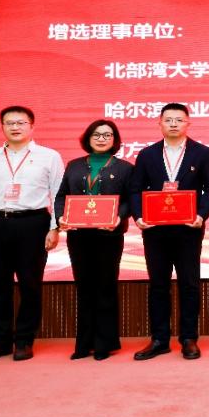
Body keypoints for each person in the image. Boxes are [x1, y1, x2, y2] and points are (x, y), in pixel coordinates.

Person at [0, 106, 64, 362]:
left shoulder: (49, 156)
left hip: (33, 223)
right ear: (2, 126)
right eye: (9, 123)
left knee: (29, 284)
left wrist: (54, 227)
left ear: (32, 126)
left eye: (21, 122)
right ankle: (0, 341)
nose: (15, 127)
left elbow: (58, 194)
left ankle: (24, 339)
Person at [129, 103, 209, 360]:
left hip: (188, 229)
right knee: (158, 285)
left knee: (189, 284)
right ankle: (159, 339)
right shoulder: (147, 154)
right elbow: (135, 189)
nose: (173, 124)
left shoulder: (202, 153)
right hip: (155, 230)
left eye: (179, 120)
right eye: (168, 120)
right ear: (159, 123)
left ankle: (189, 338)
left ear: (188, 123)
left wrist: (201, 215)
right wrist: (139, 216)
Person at [54, 119, 133, 361]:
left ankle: (103, 343)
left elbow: (130, 199)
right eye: (96, 134)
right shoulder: (74, 165)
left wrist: (118, 217)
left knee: (105, 287)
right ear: (88, 138)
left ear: (114, 140)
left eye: (107, 135)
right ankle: (83, 343)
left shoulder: (125, 168)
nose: (101, 139)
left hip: (109, 235)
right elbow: (61, 196)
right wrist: (61, 217)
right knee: (84, 287)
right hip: (78, 235)